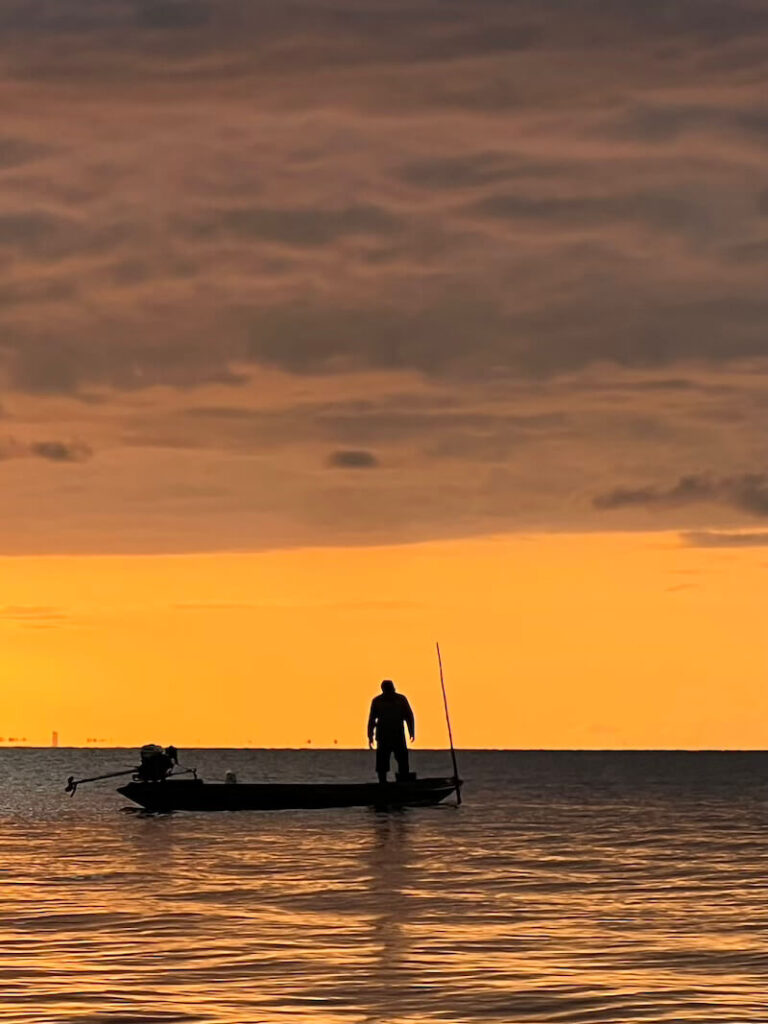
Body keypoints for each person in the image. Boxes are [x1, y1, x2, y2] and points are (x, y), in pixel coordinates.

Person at [367, 679, 415, 783]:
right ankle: (383, 783)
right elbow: (371, 720)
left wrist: (412, 731)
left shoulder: (401, 700)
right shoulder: (377, 701)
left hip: (398, 735)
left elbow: (409, 716)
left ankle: (404, 781)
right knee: (382, 763)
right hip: (383, 736)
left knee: (402, 761)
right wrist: (370, 736)